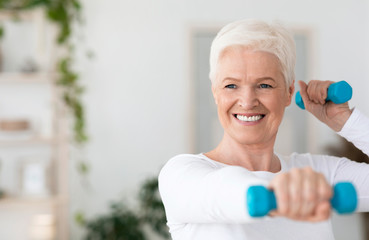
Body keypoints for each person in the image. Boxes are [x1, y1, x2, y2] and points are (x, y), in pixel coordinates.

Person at [158, 19, 369, 240]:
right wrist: (279, 194)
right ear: (215, 93)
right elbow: (227, 193)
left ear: (288, 93)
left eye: (264, 85)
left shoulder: (318, 173)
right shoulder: (181, 174)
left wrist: (346, 121)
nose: (247, 101)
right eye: (231, 85)